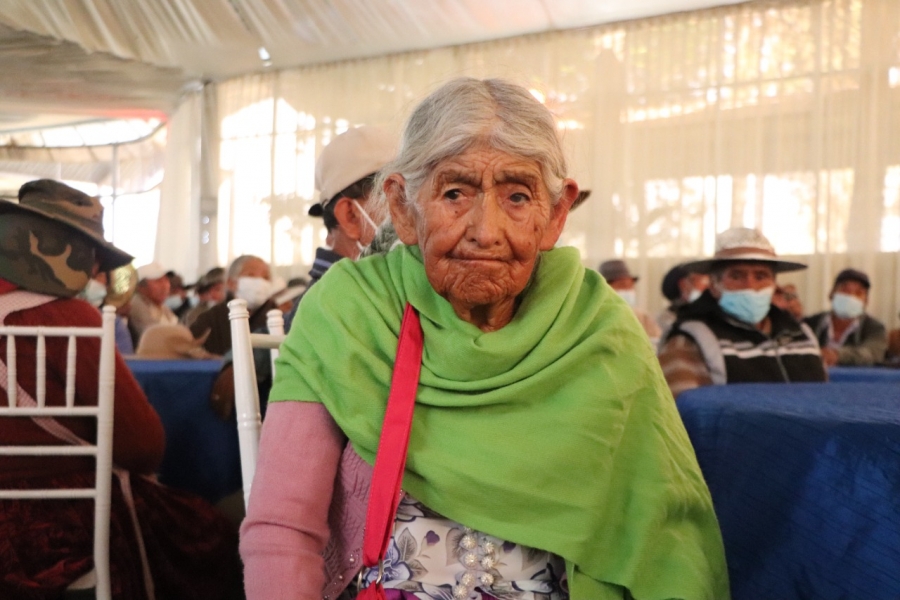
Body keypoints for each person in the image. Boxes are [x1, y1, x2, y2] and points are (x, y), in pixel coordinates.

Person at [240, 78, 728, 599]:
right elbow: (284, 529)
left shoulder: (599, 327)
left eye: (518, 195)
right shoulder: (350, 311)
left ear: (555, 214)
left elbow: (665, 538)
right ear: (404, 207)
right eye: (455, 193)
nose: (486, 230)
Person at [0, 179, 242, 599]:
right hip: (65, 523)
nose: (96, 270)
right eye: (93, 254)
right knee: (213, 534)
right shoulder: (72, 317)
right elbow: (142, 445)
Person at [658, 227, 826, 398]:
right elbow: (688, 414)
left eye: (761, 276)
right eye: (736, 276)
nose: (750, 286)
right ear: (715, 286)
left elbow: (823, 401)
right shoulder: (689, 340)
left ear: (774, 285)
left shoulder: (802, 335)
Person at [282, 125, 396, 331]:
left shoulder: (381, 287)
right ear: (350, 217)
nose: (415, 214)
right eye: (397, 198)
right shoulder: (327, 309)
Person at [189, 254, 274, 355]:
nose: (260, 282)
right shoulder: (210, 319)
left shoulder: (279, 315)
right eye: (250, 275)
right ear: (231, 283)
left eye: (266, 277)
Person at [803, 269, 887, 366]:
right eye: (845, 290)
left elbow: (872, 353)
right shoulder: (811, 323)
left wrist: (837, 355)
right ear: (831, 294)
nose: (851, 296)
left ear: (866, 301)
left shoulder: (875, 328)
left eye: (858, 293)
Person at [598, 258, 662, 340]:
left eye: (631, 285)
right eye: (622, 285)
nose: (628, 289)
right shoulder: (595, 317)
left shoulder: (642, 317)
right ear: (605, 288)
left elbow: (657, 341)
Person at [128, 261, 178, 343]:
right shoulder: (136, 304)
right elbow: (155, 336)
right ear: (141, 287)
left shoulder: (162, 307)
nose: (165, 286)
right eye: (158, 281)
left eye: (166, 280)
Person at [656, 263, 709, 337]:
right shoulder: (668, 320)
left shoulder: (710, 316)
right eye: (701, 280)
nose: (706, 286)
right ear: (683, 284)